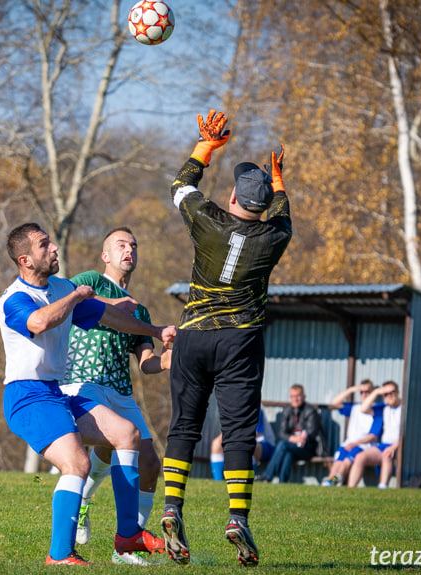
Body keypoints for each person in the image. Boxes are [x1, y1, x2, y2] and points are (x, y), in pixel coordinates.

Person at [0, 222, 174, 566]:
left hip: (55, 392)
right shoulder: (16, 298)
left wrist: (154, 330)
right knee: (76, 463)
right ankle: (60, 555)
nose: (54, 249)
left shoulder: (61, 287)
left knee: (127, 434)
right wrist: (79, 295)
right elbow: (38, 323)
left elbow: (108, 316)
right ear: (25, 260)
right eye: (43, 245)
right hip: (26, 397)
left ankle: (127, 537)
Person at [160, 110, 292, 567]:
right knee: (237, 434)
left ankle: (172, 507)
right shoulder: (274, 239)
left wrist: (206, 147)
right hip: (240, 342)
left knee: (184, 427)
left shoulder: (207, 220)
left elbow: (181, 186)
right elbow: (282, 213)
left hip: (194, 337)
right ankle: (238, 518)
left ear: (233, 196)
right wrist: (278, 184)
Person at [60, 227, 172, 566]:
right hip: (85, 381)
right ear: (105, 255)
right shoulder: (91, 280)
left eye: (134, 246)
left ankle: (129, 545)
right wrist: (116, 303)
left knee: (151, 462)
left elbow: (146, 362)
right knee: (115, 442)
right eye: (121, 245)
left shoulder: (142, 311)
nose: (129, 250)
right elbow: (74, 298)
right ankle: (87, 511)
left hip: (121, 390)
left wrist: (167, 361)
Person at [257, 384, 324, 484]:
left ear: (303, 397)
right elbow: (281, 433)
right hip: (292, 446)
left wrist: (298, 438)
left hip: (308, 448)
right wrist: (293, 438)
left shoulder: (311, 411)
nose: (295, 399)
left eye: (298, 396)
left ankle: (267, 476)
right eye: (292, 396)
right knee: (288, 451)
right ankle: (282, 481)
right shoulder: (287, 410)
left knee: (283, 444)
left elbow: (311, 434)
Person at [321, 379, 382, 487]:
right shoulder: (355, 407)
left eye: (367, 391)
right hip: (348, 443)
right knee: (337, 464)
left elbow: (373, 436)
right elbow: (335, 402)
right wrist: (353, 389)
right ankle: (330, 481)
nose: (364, 394)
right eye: (361, 392)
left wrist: (355, 444)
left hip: (363, 446)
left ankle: (334, 481)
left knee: (346, 463)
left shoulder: (377, 411)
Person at [347, 381, 403, 489]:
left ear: (398, 392)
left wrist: (394, 446)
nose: (389, 396)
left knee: (387, 455)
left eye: (392, 392)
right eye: (386, 394)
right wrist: (377, 391)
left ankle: (382, 486)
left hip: (399, 445)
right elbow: (363, 409)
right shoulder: (383, 408)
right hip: (382, 445)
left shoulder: (405, 408)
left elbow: (407, 433)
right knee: (359, 457)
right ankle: (350, 488)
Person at [210, 409, 276, 481]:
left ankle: (248, 481)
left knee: (247, 444)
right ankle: (219, 481)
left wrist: (233, 439)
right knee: (216, 444)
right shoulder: (231, 407)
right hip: (238, 439)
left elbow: (254, 433)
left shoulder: (256, 407)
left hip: (264, 444)